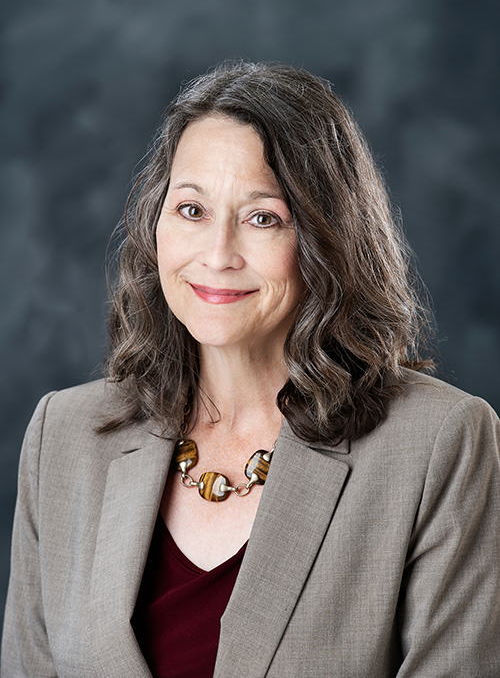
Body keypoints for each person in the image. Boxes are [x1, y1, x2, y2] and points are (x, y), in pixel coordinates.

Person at [2, 61, 499, 678]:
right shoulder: (64, 436)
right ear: (155, 223)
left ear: (327, 237)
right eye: (191, 210)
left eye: (264, 218)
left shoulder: (439, 443)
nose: (217, 254)